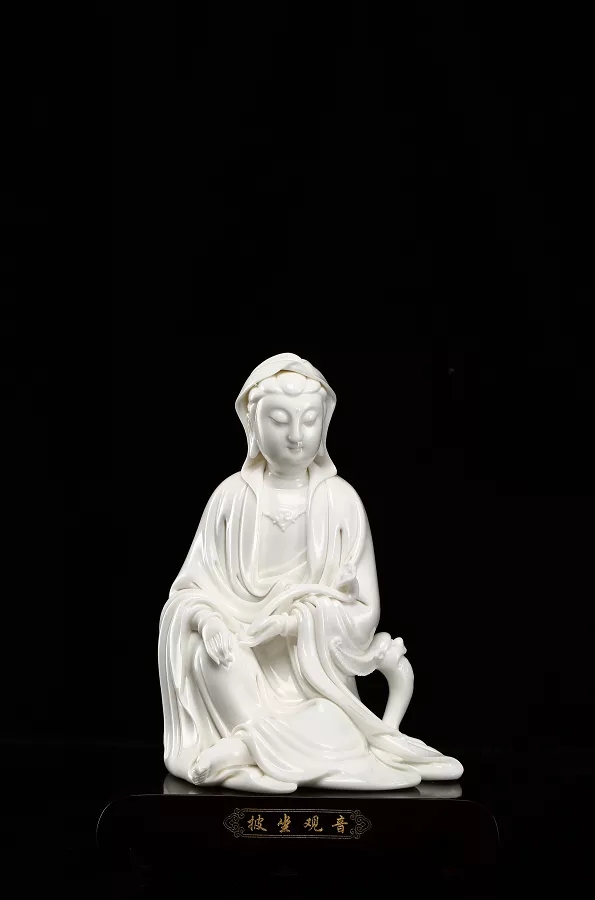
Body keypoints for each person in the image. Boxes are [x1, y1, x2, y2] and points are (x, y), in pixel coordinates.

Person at [158, 353, 463, 792]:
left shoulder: (342, 502)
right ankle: (256, 750)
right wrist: (209, 623)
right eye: (279, 420)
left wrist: (292, 624)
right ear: (252, 424)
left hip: (312, 681)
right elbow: (188, 591)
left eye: (309, 420)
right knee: (208, 659)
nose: (296, 436)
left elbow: (364, 612)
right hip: (244, 669)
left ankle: (243, 752)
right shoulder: (230, 499)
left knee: (334, 720)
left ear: (325, 424)